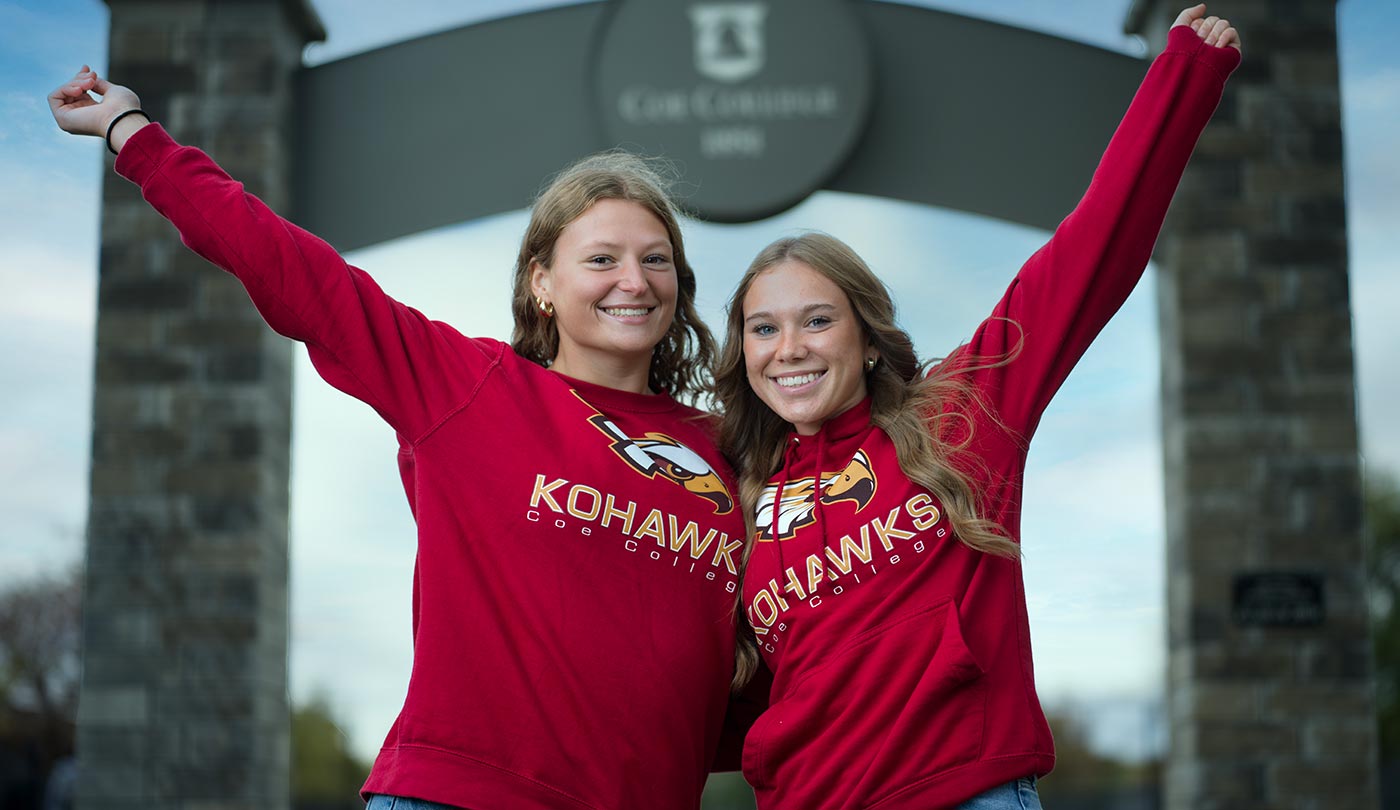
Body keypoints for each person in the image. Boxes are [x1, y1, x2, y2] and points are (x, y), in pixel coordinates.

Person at [50, 70, 750, 809]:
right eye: (602, 259)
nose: (634, 281)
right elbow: (288, 265)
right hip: (460, 795)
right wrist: (131, 133)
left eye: (655, 259)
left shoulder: (726, 453)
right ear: (541, 283)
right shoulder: (470, 385)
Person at [712, 6, 1241, 809]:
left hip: (961, 791)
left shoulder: (959, 420)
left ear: (867, 339)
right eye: (764, 328)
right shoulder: (739, 493)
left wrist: (1184, 78)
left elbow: (1091, 250)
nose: (789, 348)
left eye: (817, 321)